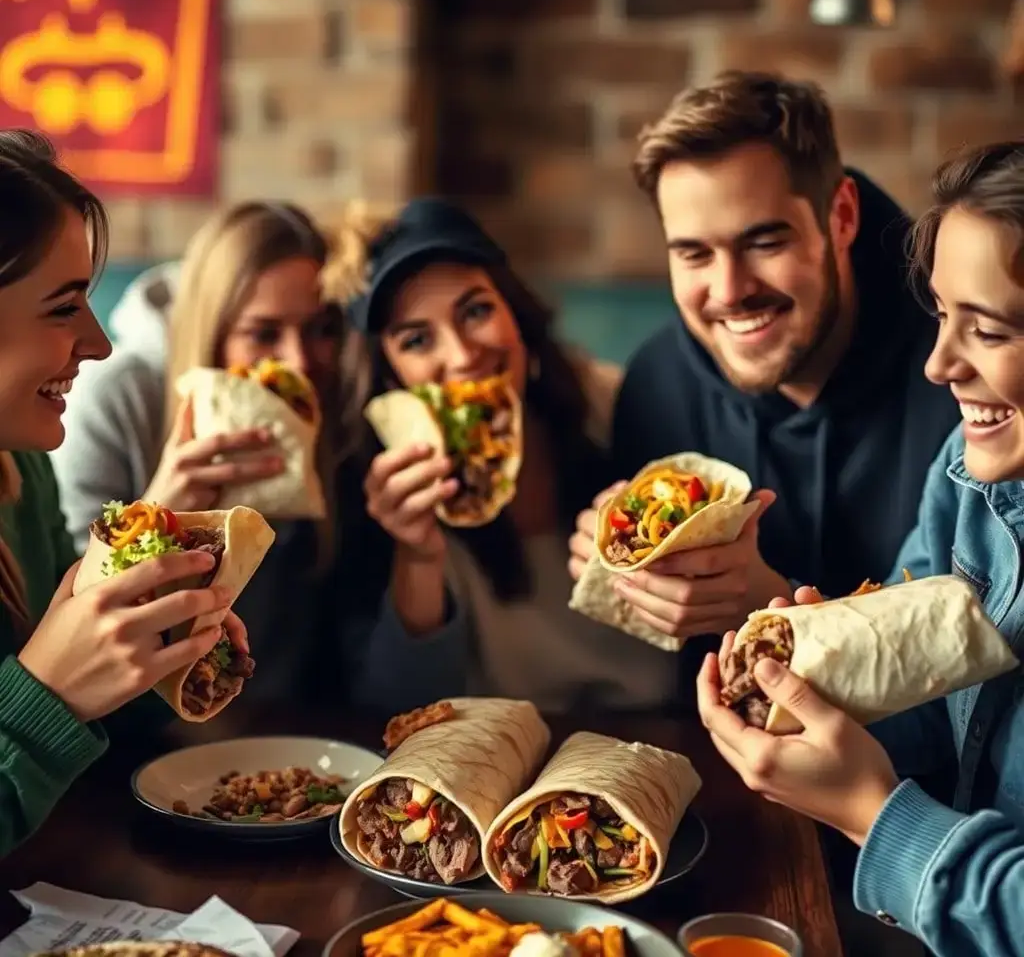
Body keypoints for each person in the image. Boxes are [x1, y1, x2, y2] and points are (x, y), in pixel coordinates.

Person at [697, 141, 1024, 957]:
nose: (939, 363)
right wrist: (830, 688)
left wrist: (871, 812)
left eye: (985, 330)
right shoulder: (967, 469)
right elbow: (944, 723)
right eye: (943, 316)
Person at [568, 70, 960, 661]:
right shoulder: (656, 387)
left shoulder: (963, 369)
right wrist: (622, 582)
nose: (729, 291)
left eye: (764, 243)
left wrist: (767, 604)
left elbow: (967, 648)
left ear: (843, 216)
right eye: (694, 253)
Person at [0, 129, 244, 856]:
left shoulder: (21, 470)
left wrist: (155, 649)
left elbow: (81, 750)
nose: (100, 343)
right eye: (62, 307)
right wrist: (49, 696)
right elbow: (43, 715)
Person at [52, 200, 400, 708]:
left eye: (321, 329)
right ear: (210, 331)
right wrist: (161, 514)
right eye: (263, 334)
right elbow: (67, 620)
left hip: (282, 731)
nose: (299, 361)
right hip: (128, 734)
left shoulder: (344, 410)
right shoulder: (118, 399)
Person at [346, 198, 674, 713]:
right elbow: (403, 705)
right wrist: (418, 555)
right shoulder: (394, 496)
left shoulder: (624, 410)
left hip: (665, 741)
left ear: (516, 316)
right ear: (393, 380)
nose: (460, 354)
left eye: (476, 311)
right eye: (416, 339)